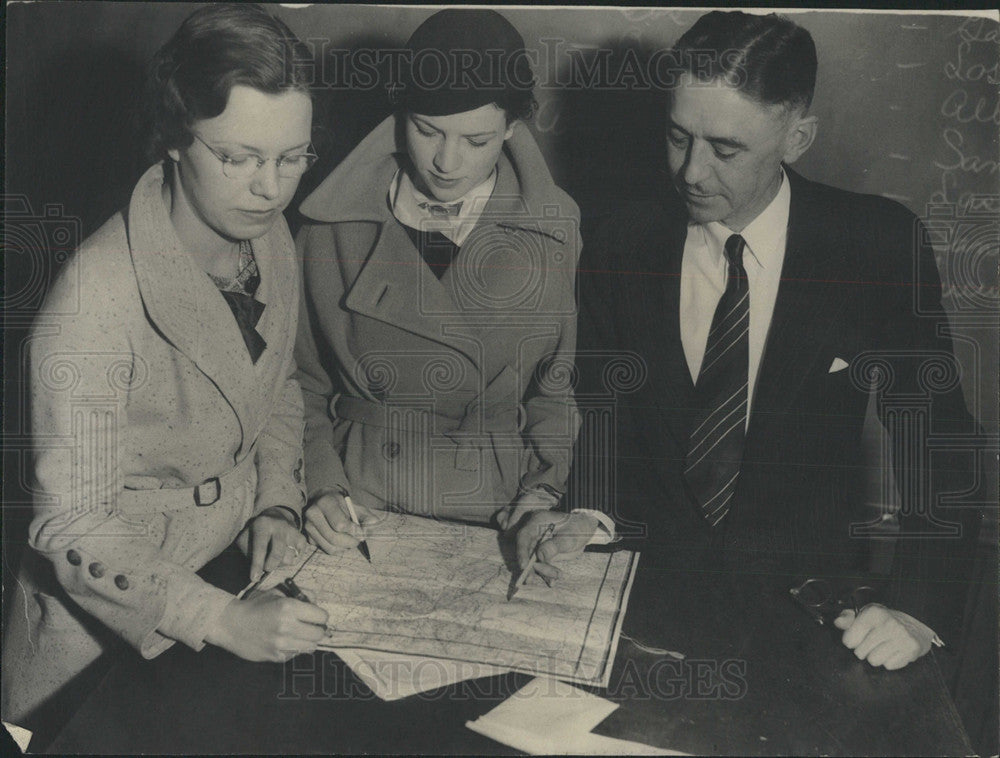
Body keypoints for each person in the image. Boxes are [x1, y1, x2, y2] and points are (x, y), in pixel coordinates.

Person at [513, 11, 982, 670]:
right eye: (678, 137)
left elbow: (938, 440)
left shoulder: (875, 244)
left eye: (725, 149)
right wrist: (588, 514)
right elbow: (599, 410)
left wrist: (918, 608)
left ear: (797, 137)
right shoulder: (621, 238)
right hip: (638, 607)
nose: (691, 173)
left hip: (808, 618)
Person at [2, 3, 329, 732]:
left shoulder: (269, 236)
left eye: (292, 157)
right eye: (238, 158)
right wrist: (220, 618)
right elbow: (73, 525)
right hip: (100, 638)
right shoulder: (93, 300)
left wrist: (276, 499)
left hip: (233, 562)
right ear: (176, 139)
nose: (271, 188)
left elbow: (275, 390)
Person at [294, 9, 590, 550]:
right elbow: (300, 385)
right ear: (400, 114)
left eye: (477, 141)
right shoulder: (327, 224)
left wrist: (542, 492)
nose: (447, 162)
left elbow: (554, 390)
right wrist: (321, 488)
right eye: (427, 130)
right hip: (358, 501)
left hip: (494, 506)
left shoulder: (556, 229)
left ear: (512, 129)